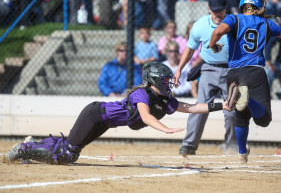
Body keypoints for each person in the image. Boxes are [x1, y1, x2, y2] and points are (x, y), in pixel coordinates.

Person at [5, 62, 238, 165]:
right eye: (165, 80)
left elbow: (191, 107)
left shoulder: (164, 99)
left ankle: (35, 145)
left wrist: (222, 106)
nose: (169, 84)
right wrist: (166, 129)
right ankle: (24, 149)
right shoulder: (142, 94)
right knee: (66, 154)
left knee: (70, 153)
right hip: (95, 114)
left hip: (105, 123)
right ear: (153, 80)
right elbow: (146, 117)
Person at [208, 0, 281, 163]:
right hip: (255, 72)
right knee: (263, 119)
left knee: (241, 116)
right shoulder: (266, 23)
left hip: (233, 73)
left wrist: (213, 45)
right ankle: (247, 99)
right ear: (259, 5)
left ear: (242, 5)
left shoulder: (234, 18)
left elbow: (218, 32)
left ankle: (242, 153)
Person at [174, 0, 237, 156]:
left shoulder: (234, 23)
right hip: (208, 69)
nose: (218, 14)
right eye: (215, 11)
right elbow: (190, 49)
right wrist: (179, 68)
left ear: (226, 9)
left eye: (221, 10)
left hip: (231, 70)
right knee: (200, 106)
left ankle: (231, 145)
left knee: (231, 111)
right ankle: (189, 144)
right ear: (209, 9)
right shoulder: (200, 25)